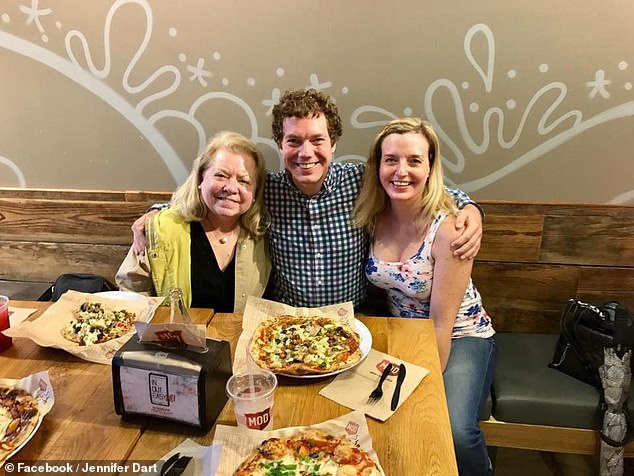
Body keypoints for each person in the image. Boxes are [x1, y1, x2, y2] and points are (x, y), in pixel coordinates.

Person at [131, 89, 483, 310]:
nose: (306, 152)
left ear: (334, 144)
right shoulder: (265, 190)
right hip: (284, 320)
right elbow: (215, 195)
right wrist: (155, 213)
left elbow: (422, 187)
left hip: (351, 321)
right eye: (294, 141)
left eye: (317, 140)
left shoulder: (361, 181)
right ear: (280, 145)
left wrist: (470, 208)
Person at [353, 117, 496, 476]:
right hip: (402, 334)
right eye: (391, 160)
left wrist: (419, 386)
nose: (401, 171)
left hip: (461, 337)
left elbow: (441, 324)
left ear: (430, 166)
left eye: (414, 160)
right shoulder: (373, 216)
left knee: (454, 431)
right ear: (378, 165)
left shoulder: (450, 230)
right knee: (364, 416)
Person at [116, 131, 270, 312]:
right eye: (221, 175)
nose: (231, 188)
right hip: (172, 338)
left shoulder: (264, 236)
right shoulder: (160, 229)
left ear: (255, 192)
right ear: (200, 179)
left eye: (244, 180)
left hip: (243, 339)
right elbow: (131, 294)